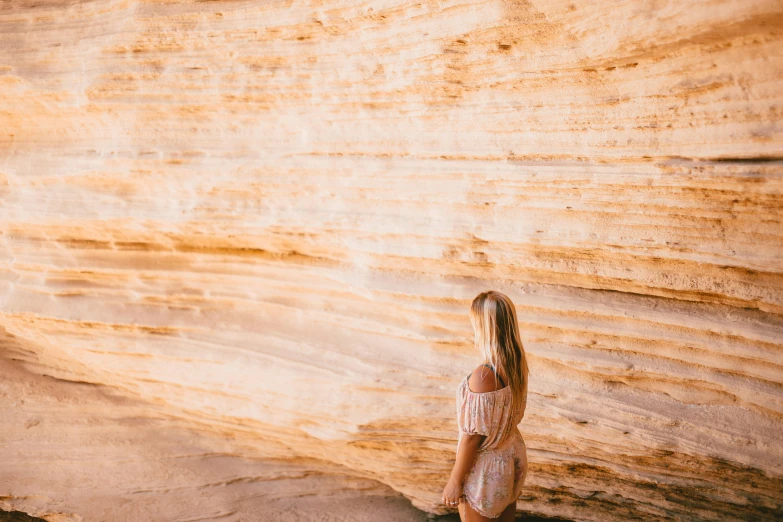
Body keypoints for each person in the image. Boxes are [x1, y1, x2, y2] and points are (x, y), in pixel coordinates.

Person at [442, 290, 530, 521]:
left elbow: (473, 437)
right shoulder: (516, 363)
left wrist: (455, 480)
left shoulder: (484, 376)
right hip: (509, 454)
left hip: (486, 469)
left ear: (484, 325)